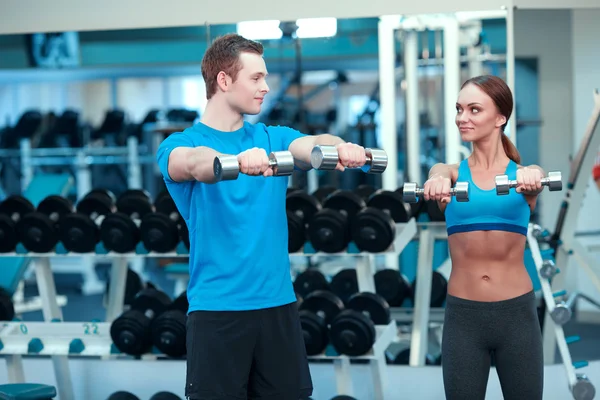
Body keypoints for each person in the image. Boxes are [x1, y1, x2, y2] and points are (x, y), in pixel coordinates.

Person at [156, 33, 368, 400]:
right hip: (217, 312)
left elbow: (312, 143)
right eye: (255, 78)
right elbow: (193, 164)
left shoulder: (273, 138)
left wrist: (340, 147)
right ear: (223, 81)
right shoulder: (180, 144)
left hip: (278, 308)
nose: (266, 87)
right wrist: (237, 162)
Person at [422, 75, 546, 400]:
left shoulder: (522, 176)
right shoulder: (451, 173)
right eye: (459, 109)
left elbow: (537, 174)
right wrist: (435, 181)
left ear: (500, 117)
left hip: (517, 316)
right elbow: (437, 172)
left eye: (474, 109)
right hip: (464, 317)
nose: (463, 117)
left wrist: (535, 175)